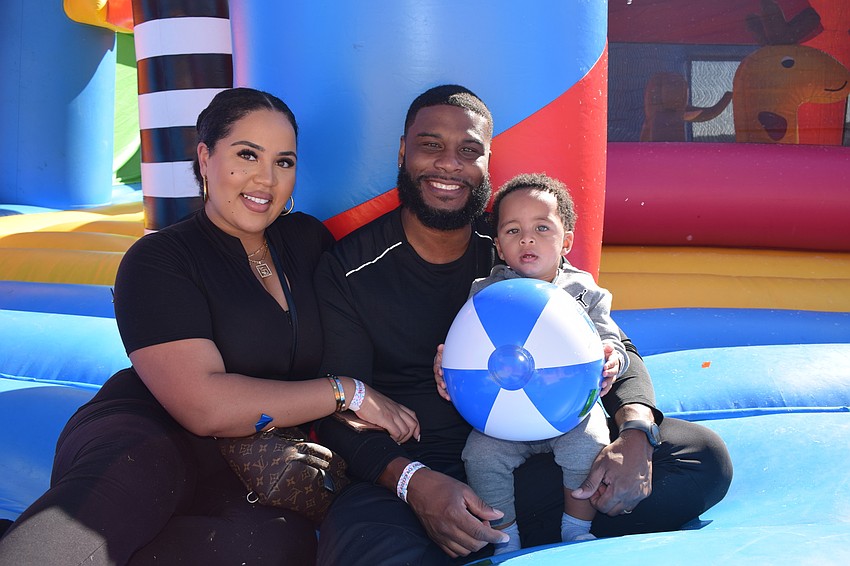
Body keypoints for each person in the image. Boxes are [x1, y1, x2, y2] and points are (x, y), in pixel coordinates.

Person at [313, 84, 733, 565]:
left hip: (538, 456)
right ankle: (493, 534)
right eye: (431, 145)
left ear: (487, 163)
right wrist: (415, 485)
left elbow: (611, 345)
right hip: (420, 475)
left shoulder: (518, 242)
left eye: (469, 150)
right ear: (404, 150)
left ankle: (524, 534)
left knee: (699, 458)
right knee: (363, 547)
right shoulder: (350, 270)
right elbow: (339, 407)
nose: (449, 164)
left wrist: (636, 433)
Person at [0, 87, 418, 565]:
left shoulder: (307, 241)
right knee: (113, 499)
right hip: (149, 432)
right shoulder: (159, 259)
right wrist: (348, 391)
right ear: (205, 156)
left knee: (271, 548)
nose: (265, 178)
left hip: (252, 465)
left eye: (284, 162)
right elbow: (204, 406)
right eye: (246, 155)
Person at [434, 172, 630, 554]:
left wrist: (613, 360)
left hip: (569, 410)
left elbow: (612, 339)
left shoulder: (585, 291)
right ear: (500, 249)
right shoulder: (486, 293)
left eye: (542, 227)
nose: (527, 239)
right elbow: (464, 346)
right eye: (513, 231)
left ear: (566, 240)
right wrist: (446, 367)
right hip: (502, 416)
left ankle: (576, 528)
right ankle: (506, 538)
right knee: (479, 456)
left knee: (590, 444)